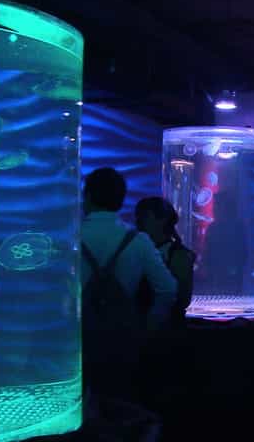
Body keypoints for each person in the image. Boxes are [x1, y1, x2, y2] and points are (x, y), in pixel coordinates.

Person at [80, 167, 177, 405]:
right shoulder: (138, 241)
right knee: (120, 402)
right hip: (122, 337)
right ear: (121, 200)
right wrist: (149, 324)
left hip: (78, 339)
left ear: (88, 196)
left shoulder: (71, 238)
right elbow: (168, 289)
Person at [135, 197, 195, 325]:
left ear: (162, 220)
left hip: (167, 328)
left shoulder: (180, 255)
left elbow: (182, 299)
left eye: (144, 216)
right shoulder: (137, 250)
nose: (138, 221)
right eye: (138, 216)